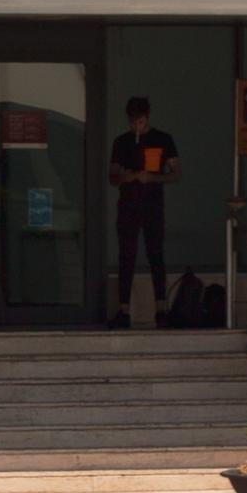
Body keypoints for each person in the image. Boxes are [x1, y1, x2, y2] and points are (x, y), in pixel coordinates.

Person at [105, 97, 178, 325]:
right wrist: (128, 176)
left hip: (153, 205)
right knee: (126, 256)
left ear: (147, 117)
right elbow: (112, 176)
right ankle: (124, 310)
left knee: (155, 254)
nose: (136, 125)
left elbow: (177, 174)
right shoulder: (122, 142)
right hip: (128, 206)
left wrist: (153, 177)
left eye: (140, 120)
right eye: (132, 121)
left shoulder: (162, 139)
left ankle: (160, 308)